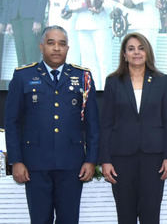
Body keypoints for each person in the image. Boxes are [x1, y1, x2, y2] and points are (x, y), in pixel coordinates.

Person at [4, 25, 99, 224]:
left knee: (69, 220)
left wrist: (91, 160)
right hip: (35, 165)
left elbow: (92, 124)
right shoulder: (23, 76)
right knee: (39, 220)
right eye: (51, 43)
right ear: (41, 47)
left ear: (67, 48)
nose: (56, 48)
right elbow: (12, 122)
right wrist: (16, 161)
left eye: (62, 44)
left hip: (71, 164)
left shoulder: (83, 77)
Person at [98, 32, 167, 224]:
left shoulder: (161, 80)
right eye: (131, 49)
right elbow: (106, 123)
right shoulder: (113, 81)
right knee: (125, 214)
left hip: (154, 158)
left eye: (141, 48)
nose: (136, 53)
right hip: (121, 158)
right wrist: (105, 160)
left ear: (148, 52)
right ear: (124, 54)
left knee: (151, 214)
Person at [6, 0, 48, 67]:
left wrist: (38, 19)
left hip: (31, 17)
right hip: (16, 17)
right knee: (20, 56)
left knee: (31, 55)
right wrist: (9, 21)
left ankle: (32, 77)